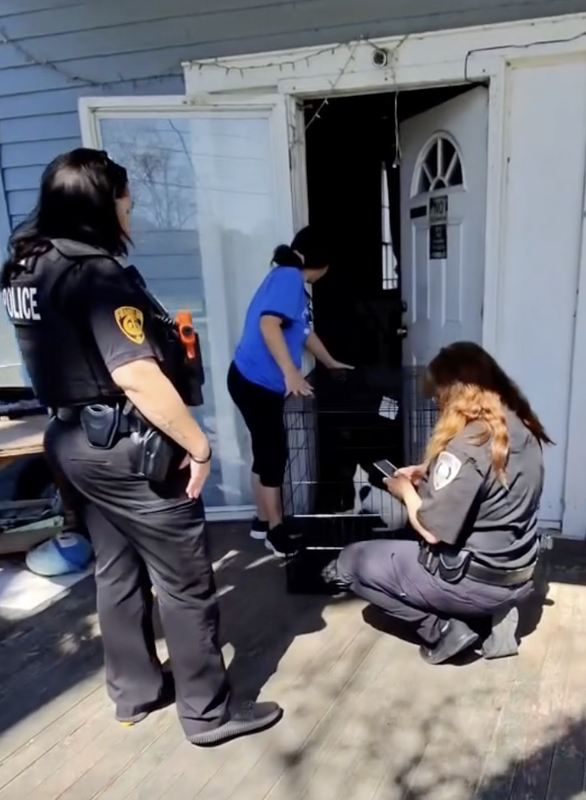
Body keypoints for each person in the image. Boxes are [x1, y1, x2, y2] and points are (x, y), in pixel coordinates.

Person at [1, 148, 282, 746]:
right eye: (126, 199)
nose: (132, 210)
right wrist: (198, 446)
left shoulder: (26, 266)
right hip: (129, 449)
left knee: (116, 570)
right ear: (103, 203)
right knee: (185, 582)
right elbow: (134, 373)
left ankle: (134, 694)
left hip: (74, 442)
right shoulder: (95, 273)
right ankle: (207, 712)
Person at [325, 341, 552, 665]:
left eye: (438, 392)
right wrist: (426, 473)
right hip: (518, 573)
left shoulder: (467, 445)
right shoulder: (520, 428)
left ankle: (443, 630)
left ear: (455, 394)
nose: (435, 400)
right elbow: (490, 490)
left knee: (349, 563)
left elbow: (432, 531)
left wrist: (405, 490)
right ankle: (493, 616)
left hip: (476, 581)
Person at [227, 227, 352, 554]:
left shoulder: (290, 280)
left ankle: (261, 520)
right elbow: (268, 324)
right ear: (323, 265)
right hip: (255, 383)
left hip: (248, 379)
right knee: (273, 456)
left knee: (265, 451)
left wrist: (330, 362)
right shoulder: (288, 279)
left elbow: (304, 333)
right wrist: (291, 374)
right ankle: (275, 531)